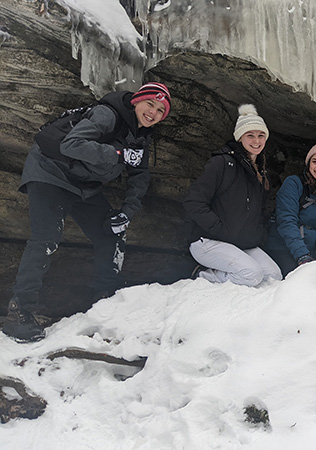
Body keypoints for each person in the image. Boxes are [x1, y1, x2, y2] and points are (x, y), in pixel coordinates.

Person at [3, 82, 172, 343]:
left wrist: (127, 212)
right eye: (150, 103)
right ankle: (19, 312)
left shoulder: (141, 137)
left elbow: (140, 177)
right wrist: (118, 154)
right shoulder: (108, 115)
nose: (153, 112)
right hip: (51, 173)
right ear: (137, 100)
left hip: (84, 186)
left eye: (161, 110)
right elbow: (71, 144)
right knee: (46, 239)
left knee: (112, 232)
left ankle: (105, 298)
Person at [183, 104, 282, 286]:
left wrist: (256, 234)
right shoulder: (221, 163)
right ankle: (204, 276)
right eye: (250, 135)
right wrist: (218, 228)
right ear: (239, 137)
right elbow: (193, 202)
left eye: (261, 135)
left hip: (240, 243)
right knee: (251, 275)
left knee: (274, 276)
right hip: (208, 241)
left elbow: (259, 212)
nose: (256, 141)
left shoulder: (260, 172)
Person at [266, 136, 316, 276]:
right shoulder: (294, 183)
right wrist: (302, 256)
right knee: (301, 280)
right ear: (308, 163)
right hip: (283, 248)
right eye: (315, 161)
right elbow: (286, 221)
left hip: (312, 251)